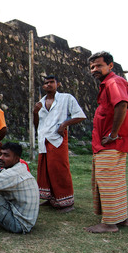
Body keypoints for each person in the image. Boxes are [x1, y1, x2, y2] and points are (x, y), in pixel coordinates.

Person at [84, 51, 128, 233]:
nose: (94, 70)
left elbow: (121, 104)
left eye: (98, 66)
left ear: (110, 66)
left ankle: (109, 223)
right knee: (116, 181)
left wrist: (113, 134)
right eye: (92, 67)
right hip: (110, 143)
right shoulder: (108, 83)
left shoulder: (113, 82)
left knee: (107, 181)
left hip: (111, 143)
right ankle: (121, 218)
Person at [33, 75, 86, 213]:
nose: (48, 85)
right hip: (44, 139)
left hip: (57, 138)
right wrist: (35, 113)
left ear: (58, 84)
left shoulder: (66, 98)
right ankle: (51, 199)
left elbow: (79, 115)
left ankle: (66, 202)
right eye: (46, 83)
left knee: (60, 169)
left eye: (51, 82)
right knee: (46, 170)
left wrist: (64, 124)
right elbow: (37, 125)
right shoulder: (41, 102)